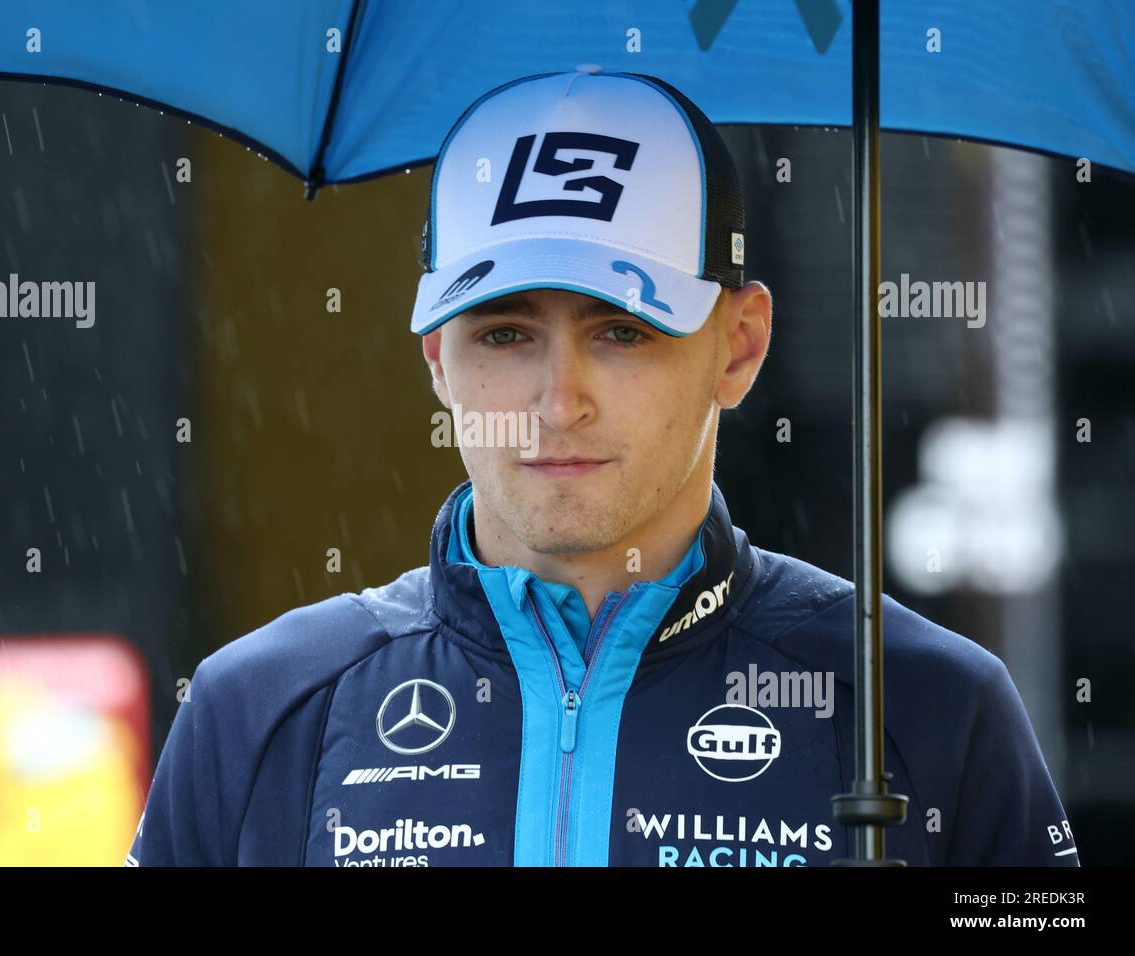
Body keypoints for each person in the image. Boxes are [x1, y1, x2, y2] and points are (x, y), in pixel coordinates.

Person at [127, 68, 1078, 867]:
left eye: (621, 330)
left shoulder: (927, 710)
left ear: (738, 348)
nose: (556, 402)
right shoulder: (255, 712)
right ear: (437, 362)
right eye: (504, 333)